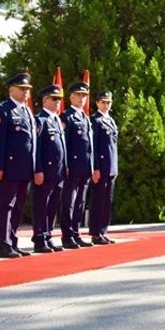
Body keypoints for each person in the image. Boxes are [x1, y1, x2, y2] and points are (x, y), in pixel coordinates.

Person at [0, 72, 35, 258]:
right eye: (22, 89)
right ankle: (4, 244)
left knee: (18, 206)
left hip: (25, 168)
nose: (25, 92)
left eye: (27, 89)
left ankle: (13, 241)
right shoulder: (3, 110)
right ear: (11, 89)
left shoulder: (27, 111)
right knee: (6, 206)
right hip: (9, 169)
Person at [32, 84, 68, 253]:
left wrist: (65, 166)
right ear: (45, 100)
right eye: (54, 99)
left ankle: (48, 235)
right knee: (42, 205)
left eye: (59, 99)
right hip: (45, 172)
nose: (57, 102)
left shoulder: (56, 120)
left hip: (58, 171)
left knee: (52, 205)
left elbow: (62, 147)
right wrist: (37, 169)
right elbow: (36, 149)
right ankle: (39, 238)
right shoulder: (40, 120)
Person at [60, 81, 95, 249]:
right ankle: (67, 235)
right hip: (72, 166)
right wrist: (65, 165)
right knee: (70, 201)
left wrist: (92, 165)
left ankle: (76, 232)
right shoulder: (66, 117)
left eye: (84, 96)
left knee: (80, 201)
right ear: (71, 97)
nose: (82, 99)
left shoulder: (85, 117)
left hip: (84, 166)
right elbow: (64, 145)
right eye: (79, 95)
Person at [89, 90, 119, 244]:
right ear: (97, 103)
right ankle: (95, 232)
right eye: (103, 102)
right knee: (98, 200)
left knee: (107, 200)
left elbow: (113, 146)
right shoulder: (95, 120)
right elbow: (93, 146)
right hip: (100, 167)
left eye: (108, 102)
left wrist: (115, 167)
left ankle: (103, 230)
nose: (106, 105)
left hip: (111, 167)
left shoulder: (111, 120)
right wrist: (95, 167)